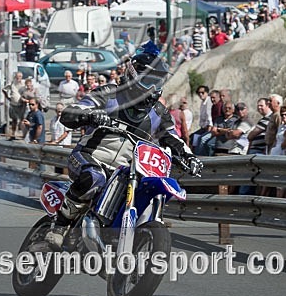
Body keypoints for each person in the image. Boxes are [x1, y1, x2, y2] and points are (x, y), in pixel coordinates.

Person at [44, 42, 202, 248]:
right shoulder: (109, 93)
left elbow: (173, 138)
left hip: (129, 170)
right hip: (90, 156)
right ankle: (60, 225)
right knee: (94, 177)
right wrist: (91, 115)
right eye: (148, 79)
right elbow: (72, 111)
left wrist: (189, 156)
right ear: (133, 72)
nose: (152, 85)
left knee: (146, 188)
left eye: (157, 81)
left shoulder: (159, 113)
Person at [2, 72, 25, 139]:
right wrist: (7, 97)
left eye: (20, 76)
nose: (19, 78)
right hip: (13, 104)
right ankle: (13, 134)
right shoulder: (12, 83)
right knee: (14, 120)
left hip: (21, 105)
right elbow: (4, 89)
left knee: (22, 120)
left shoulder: (24, 83)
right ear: (15, 77)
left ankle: (24, 135)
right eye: (17, 76)